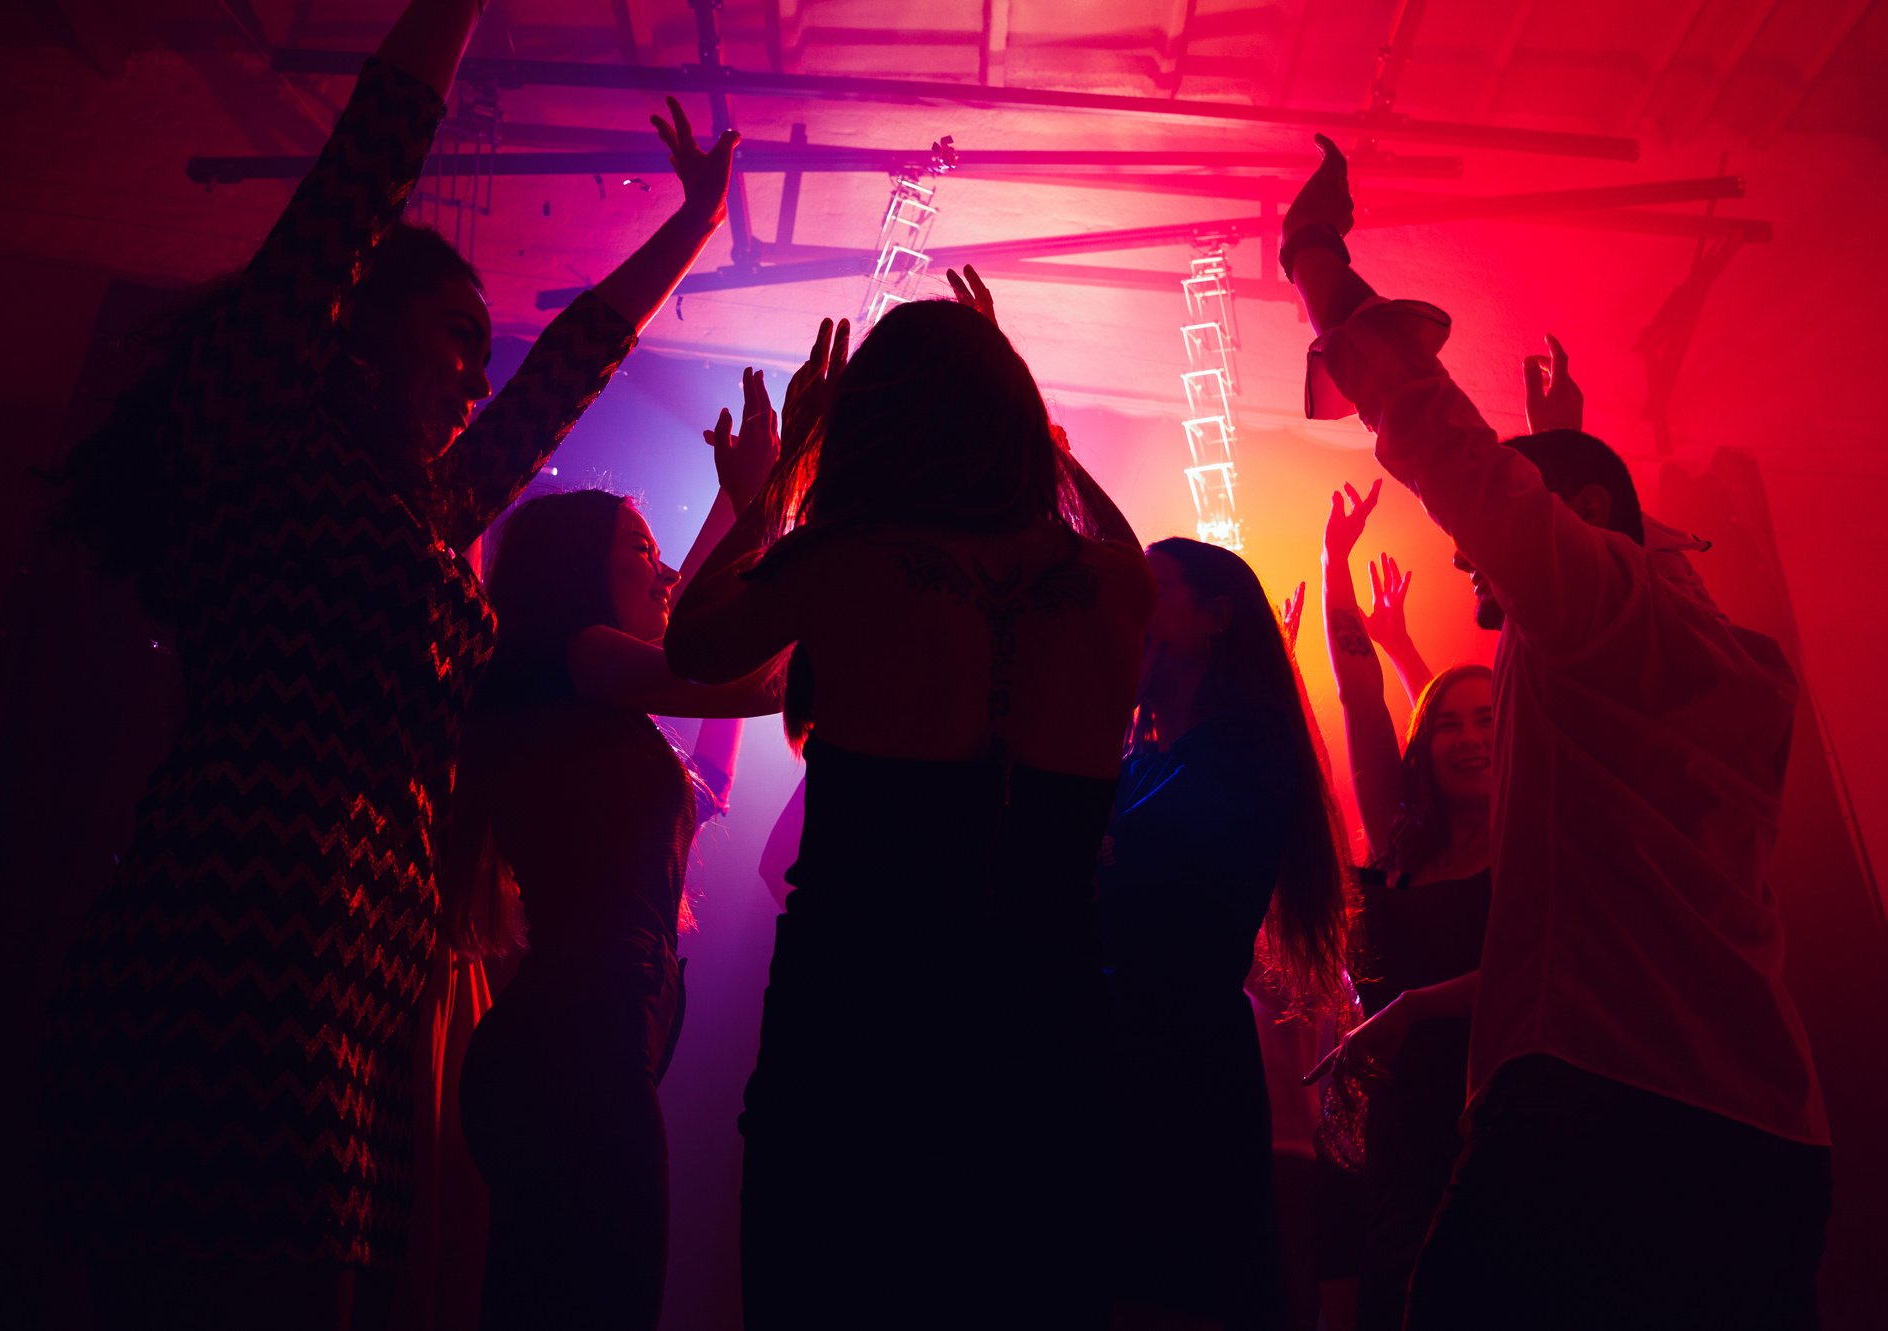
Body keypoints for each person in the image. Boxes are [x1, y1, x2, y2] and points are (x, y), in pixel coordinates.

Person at [38, 0, 740, 1323]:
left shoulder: (424, 509)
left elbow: (562, 376)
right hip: (229, 927)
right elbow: (357, 178)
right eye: (453, 346)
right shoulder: (259, 441)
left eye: (481, 361)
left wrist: (688, 232)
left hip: (359, 973)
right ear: (351, 328)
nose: (477, 384)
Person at [1281, 135, 1831, 1330]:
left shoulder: (1594, 620)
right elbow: (1638, 557)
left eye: (1500, 548)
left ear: (1576, 522)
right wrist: (1583, 455)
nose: (1477, 567)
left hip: (1611, 1103)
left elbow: (1453, 451)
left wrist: (1317, 265)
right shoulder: (1742, 661)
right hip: (1768, 1131)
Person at [663, 272, 1155, 1330]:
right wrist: (1031, 423)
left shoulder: (843, 561)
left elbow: (691, 640)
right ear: (1019, 426)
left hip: (859, 1029)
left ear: (872, 427)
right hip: (1042, 1029)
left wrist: (783, 468)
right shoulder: (1113, 588)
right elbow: (1117, 545)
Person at [440, 371, 784, 1330]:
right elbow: (732, 673)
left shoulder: (597, 702)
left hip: (589, 1041)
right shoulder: (583, 655)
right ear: (580, 574)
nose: (667, 570)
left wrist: (743, 505)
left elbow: (708, 648)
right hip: (575, 1043)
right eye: (643, 549)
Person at [1096, 537, 1351, 1330]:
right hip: (1131, 1065)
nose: (1132, 610)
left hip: (1183, 1074)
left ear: (1216, 617)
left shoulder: (1248, 749)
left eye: (1154, 590)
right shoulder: (1145, 760)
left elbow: (1132, 879)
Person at [1304, 476, 1492, 1331]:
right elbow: (1355, 683)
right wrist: (1334, 561)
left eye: (1489, 719)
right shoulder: (1401, 840)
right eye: (1449, 722)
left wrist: (1416, 1008)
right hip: (1407, 1126)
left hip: (1506, 1117)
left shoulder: (1541, 843)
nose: (1469, 737)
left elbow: (1551, 968)